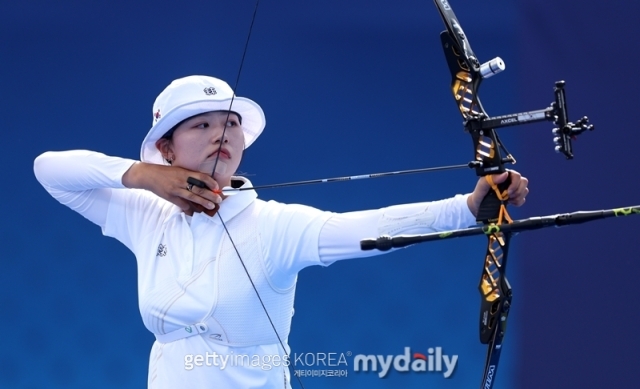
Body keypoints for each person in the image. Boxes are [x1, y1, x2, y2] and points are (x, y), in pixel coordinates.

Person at [33, 75, 528, 388]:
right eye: (200, 126)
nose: (221, 134)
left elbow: (366, 229)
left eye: (229, 124)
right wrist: (142, 177)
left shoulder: (272, 225)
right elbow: (48, 169)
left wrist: (464, 209)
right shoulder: (145, 213)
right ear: (166, 149)